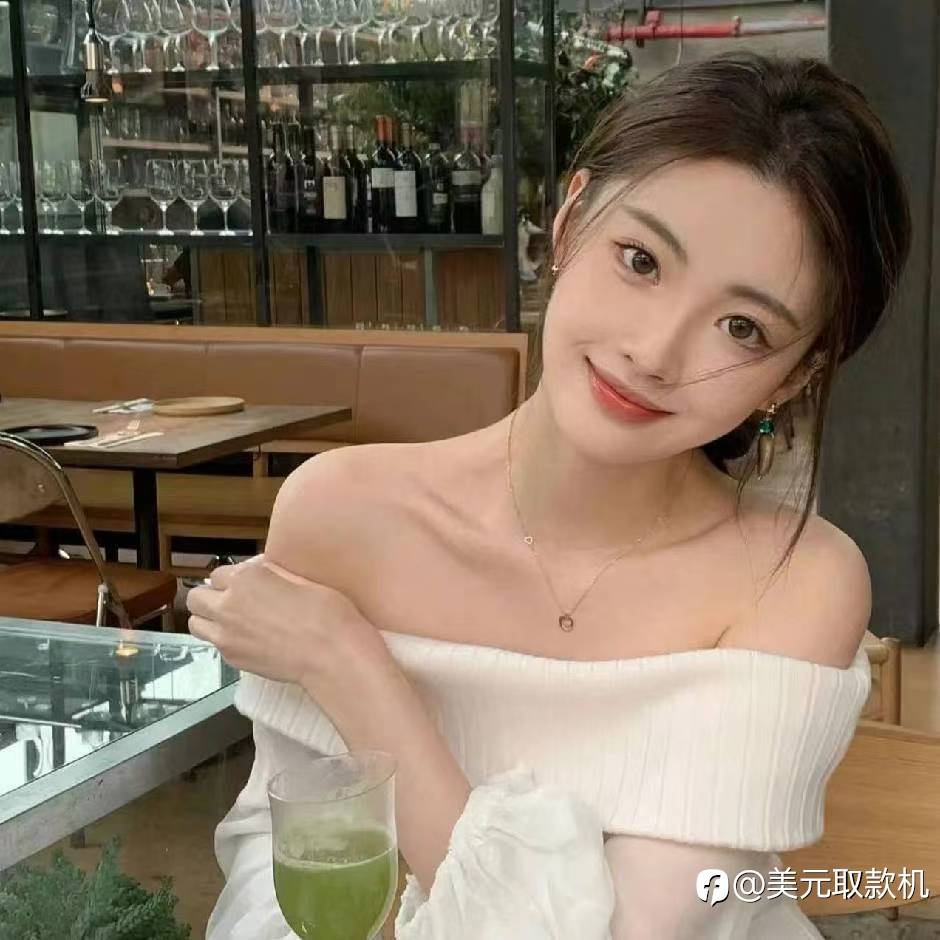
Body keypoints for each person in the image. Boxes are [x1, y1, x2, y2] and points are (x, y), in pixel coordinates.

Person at [188, 51, 911, 938]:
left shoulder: (795, 581)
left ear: (794, 377)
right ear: (568, 224)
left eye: (742, 327)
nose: (655, 351)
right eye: (640, 260)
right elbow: (287, 870)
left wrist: (349, 667)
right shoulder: (341, 513)